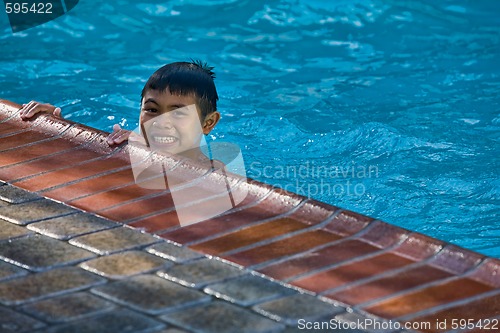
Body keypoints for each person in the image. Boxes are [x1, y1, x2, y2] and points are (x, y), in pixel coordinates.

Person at [18, 60, 221, 160]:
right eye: (152, 110)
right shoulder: (132, 139)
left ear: (207, 123)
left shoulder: (209, 171)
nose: (161, 122)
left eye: (177, 113)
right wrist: (58, 126)